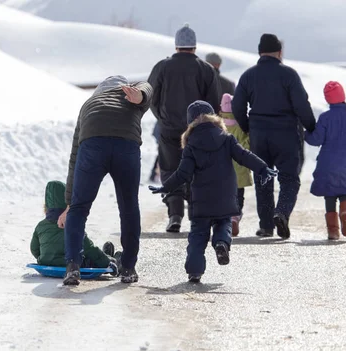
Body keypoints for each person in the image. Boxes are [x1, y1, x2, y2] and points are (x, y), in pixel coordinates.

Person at [148, 101, 275, 283]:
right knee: (224, 223)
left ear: (190, 121)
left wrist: (166, 187)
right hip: (225, 197)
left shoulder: (191, 145)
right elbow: (244, 156)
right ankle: (222, 243)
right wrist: (263, 168)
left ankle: (194, 271)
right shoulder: (226, 138)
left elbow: (183, 174)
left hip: (201, 200)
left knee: (198, 235)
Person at [59, 75, 152, 286]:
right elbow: (148, 88)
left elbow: (75, 155)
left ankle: (72, 267)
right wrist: (142, 95)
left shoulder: (89, 104)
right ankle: (128, 267)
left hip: (92, 145)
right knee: (129, 206)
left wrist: (69, 202)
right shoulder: (130, 94)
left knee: (79, 208)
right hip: (125, 145)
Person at [232, 33, 316, 239]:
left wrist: (247, 127)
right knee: (289, 179)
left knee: (263, 177)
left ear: (260, 52)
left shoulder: (248, 75)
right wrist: (311, 126)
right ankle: (282, 212)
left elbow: (237, 105)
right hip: (286, 133)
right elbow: (301, 104)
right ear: (280, 52)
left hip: (259, 134)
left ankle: (267, 225)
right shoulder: (289, 75)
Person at [148, 23, 220, 233]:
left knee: (171, 171)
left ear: (176, 45)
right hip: (196, 131)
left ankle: (175, 214)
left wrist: (162, 118)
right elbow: (213, 103)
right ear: (195, 46)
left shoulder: (162, 67)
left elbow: (151, 97)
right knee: (197, 172)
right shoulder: (206, 69)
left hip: (169, 130)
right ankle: (196, 216)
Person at [305, 82, 346, 240]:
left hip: (327, 164)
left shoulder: (325, 117)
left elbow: (316, 140)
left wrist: (305, 133)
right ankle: (345, 211)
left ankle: (333, 230)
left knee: (329, 196)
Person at [31, 181, 119, 274]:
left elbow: (34, 249)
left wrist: (48, 257)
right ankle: (114, 260)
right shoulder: (71, 224)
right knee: (91, 259)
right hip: (73, 265)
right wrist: (106, 263)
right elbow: (89, 248)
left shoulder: (40, 226)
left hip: (46, 262)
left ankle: (106, 256)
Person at [218, 93, 251, 236]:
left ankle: (225, 218)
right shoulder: (240, 125)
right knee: (239, 195)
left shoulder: (218, 126)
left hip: (223, 170)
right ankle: (235, 216)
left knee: (224, 195)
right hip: (240, 168)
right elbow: (246, 145)